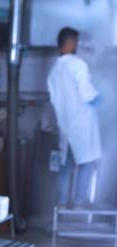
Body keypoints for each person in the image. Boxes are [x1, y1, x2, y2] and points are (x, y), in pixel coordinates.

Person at [47, 27, 102, 209]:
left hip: (65, 125)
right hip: (82, 124)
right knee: (86, 163)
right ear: (69, 42)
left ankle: (61, 203)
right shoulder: (77, 64)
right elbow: (87, 94)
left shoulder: (53, 72)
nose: (77, 46)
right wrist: (102, 99)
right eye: (76, 42)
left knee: (66, 165)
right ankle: (79, 202)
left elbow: (54, 101)